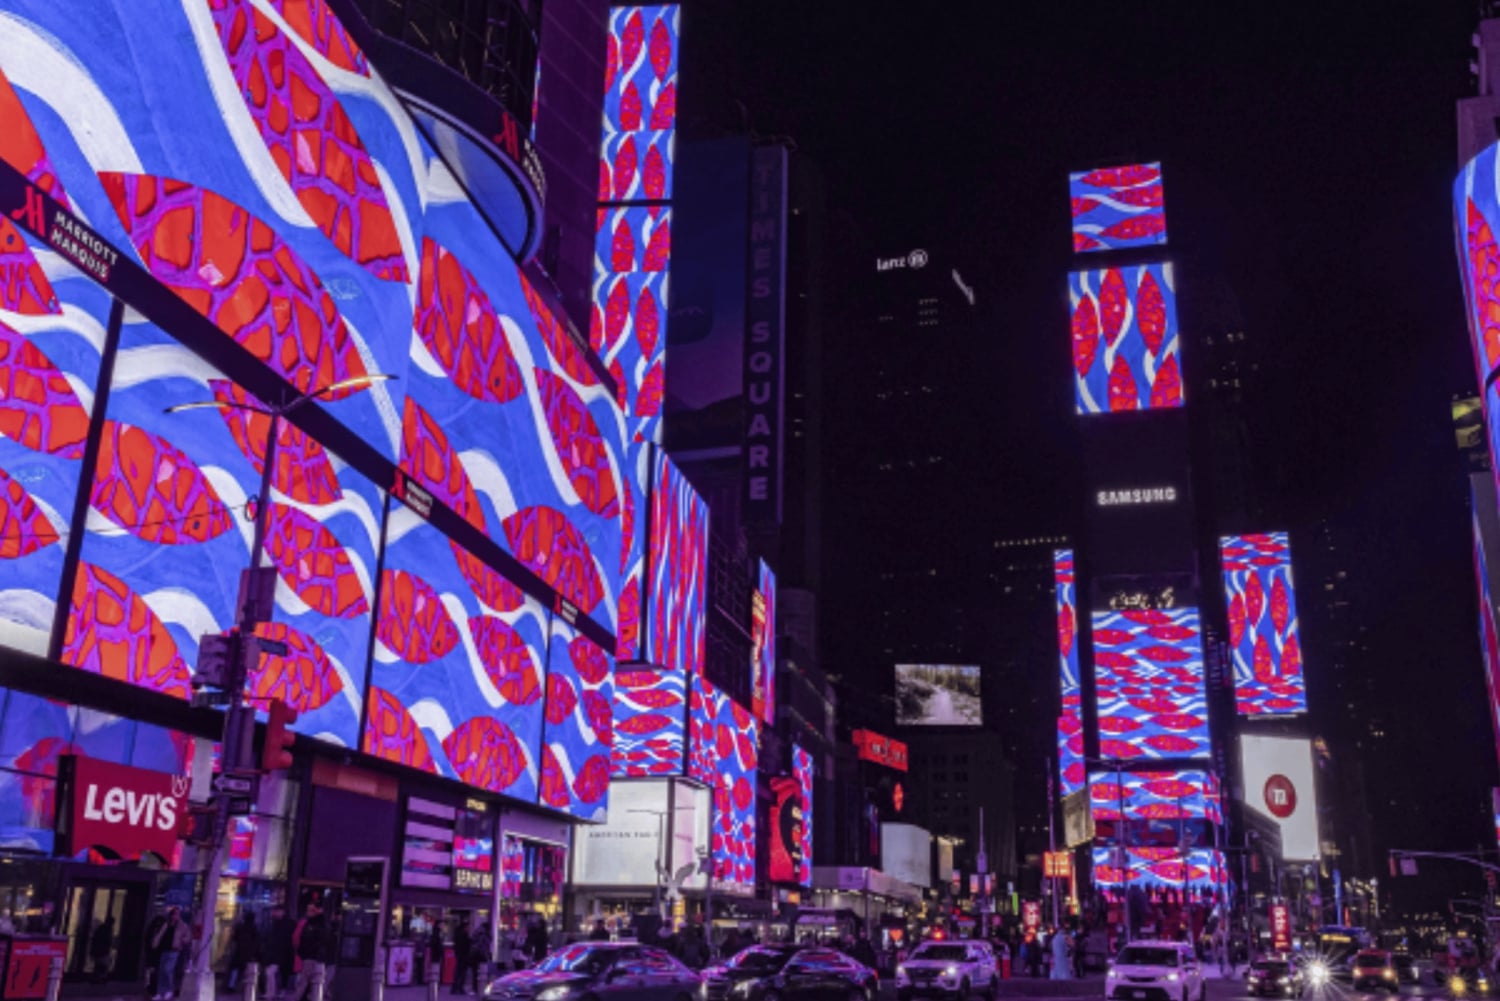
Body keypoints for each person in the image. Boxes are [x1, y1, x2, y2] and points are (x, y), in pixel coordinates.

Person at [151, 907, 190, 1001]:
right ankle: (160, 992)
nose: (174, 916)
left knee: (167, 969)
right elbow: (160, 934)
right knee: (162, 971)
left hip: (174, 950)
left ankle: (169, 989)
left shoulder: (182, 926)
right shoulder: (166, 924)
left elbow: (187, 936)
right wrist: (155, 942)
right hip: (164, 949)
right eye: (173, 914)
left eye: (176, 914)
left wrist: (182, 941)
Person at [293, 904, 327, 1001]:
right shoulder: (315, 924)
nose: (308, 912)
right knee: (314, 980)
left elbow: (305, 940)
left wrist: (304, 952)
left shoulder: (312, 925)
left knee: (305, 980)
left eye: (310, 910)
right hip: (314, 956)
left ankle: (299, 997)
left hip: (311, 956)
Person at [266, 905, 296, 1000]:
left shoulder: (286, 924)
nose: (274, 913)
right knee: (273, 973)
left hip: (282, 953)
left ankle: (273, 992)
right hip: (277, 953)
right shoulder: (275, 923)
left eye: (276, 911)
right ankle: (272, 992)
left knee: (274, 973)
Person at [228, 912, 262, 991]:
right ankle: (245, 986)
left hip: (239, 951)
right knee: (247, 969)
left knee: (235, 969)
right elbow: (256, 942)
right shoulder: (254, 929)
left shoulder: (241, 928)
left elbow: (235, 938)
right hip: (249, 953)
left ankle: (231, 985)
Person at [88, 915, 113, 983]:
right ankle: (99, 978)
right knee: (102, 965)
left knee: (99, 965)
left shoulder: (102, 928)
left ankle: (97, 978)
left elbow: (96, 939)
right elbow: (106, 941)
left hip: (100, 950)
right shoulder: (106, 930)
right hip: (102, 951)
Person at [452, 919, 472, 996]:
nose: (469, 928)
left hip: (460, 955)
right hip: (463, 956)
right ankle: (459, 988)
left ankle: (455, 988)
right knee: (461, 972)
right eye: (468, 927)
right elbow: (465, 946)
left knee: (458, 972)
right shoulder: (463, 935)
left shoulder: (458, 934)